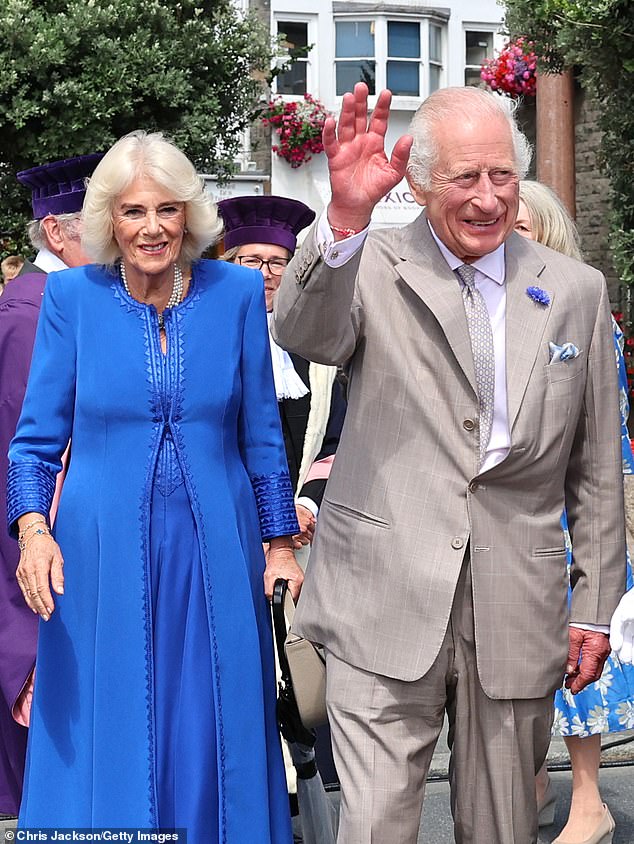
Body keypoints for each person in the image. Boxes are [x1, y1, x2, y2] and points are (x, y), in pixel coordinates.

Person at [272, 83, 626, 844]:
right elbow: (304, 332)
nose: (489, 197)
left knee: (502, 827)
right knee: (373, 827)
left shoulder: (575, 292)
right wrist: (342, 222)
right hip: (382, 596)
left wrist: (595, 605)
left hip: (518, 602)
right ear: (422, 182)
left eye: (501, 175)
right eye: (466, 178)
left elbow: (595, 468)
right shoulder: (371, 261)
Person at [7, 130, 303, 839]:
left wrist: (280, 545)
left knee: (217, 718)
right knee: (110, 716)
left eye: (167, 210)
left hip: (219, 552)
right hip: (98, 549)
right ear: (109, 218)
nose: (152, 227)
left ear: (190, 216)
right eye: (135, 211)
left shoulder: (234, 292)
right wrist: (33, 533)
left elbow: (261, 435)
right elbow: (34, 443)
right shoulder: (72, 297)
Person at [516, 179, 633, 844]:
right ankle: (532, 783)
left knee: (577, 658)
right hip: (509, 516)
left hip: (571, 515)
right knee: (514, 663)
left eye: (523, 229)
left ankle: (590, 803)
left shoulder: (586, 314)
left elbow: (607, 440)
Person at [0, 153, 101, 819]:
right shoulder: (37, 317)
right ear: (58, 233)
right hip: (40, 591)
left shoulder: (47, 306)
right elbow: (31, 470)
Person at [218, 195, 347, 554]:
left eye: (278, 263)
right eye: (253, 260)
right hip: (228, 525)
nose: (266, 273)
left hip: (306, 532)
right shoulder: (206, 344)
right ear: (229, 265)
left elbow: (339, 438)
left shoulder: (317, 350)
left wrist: (304, 506)